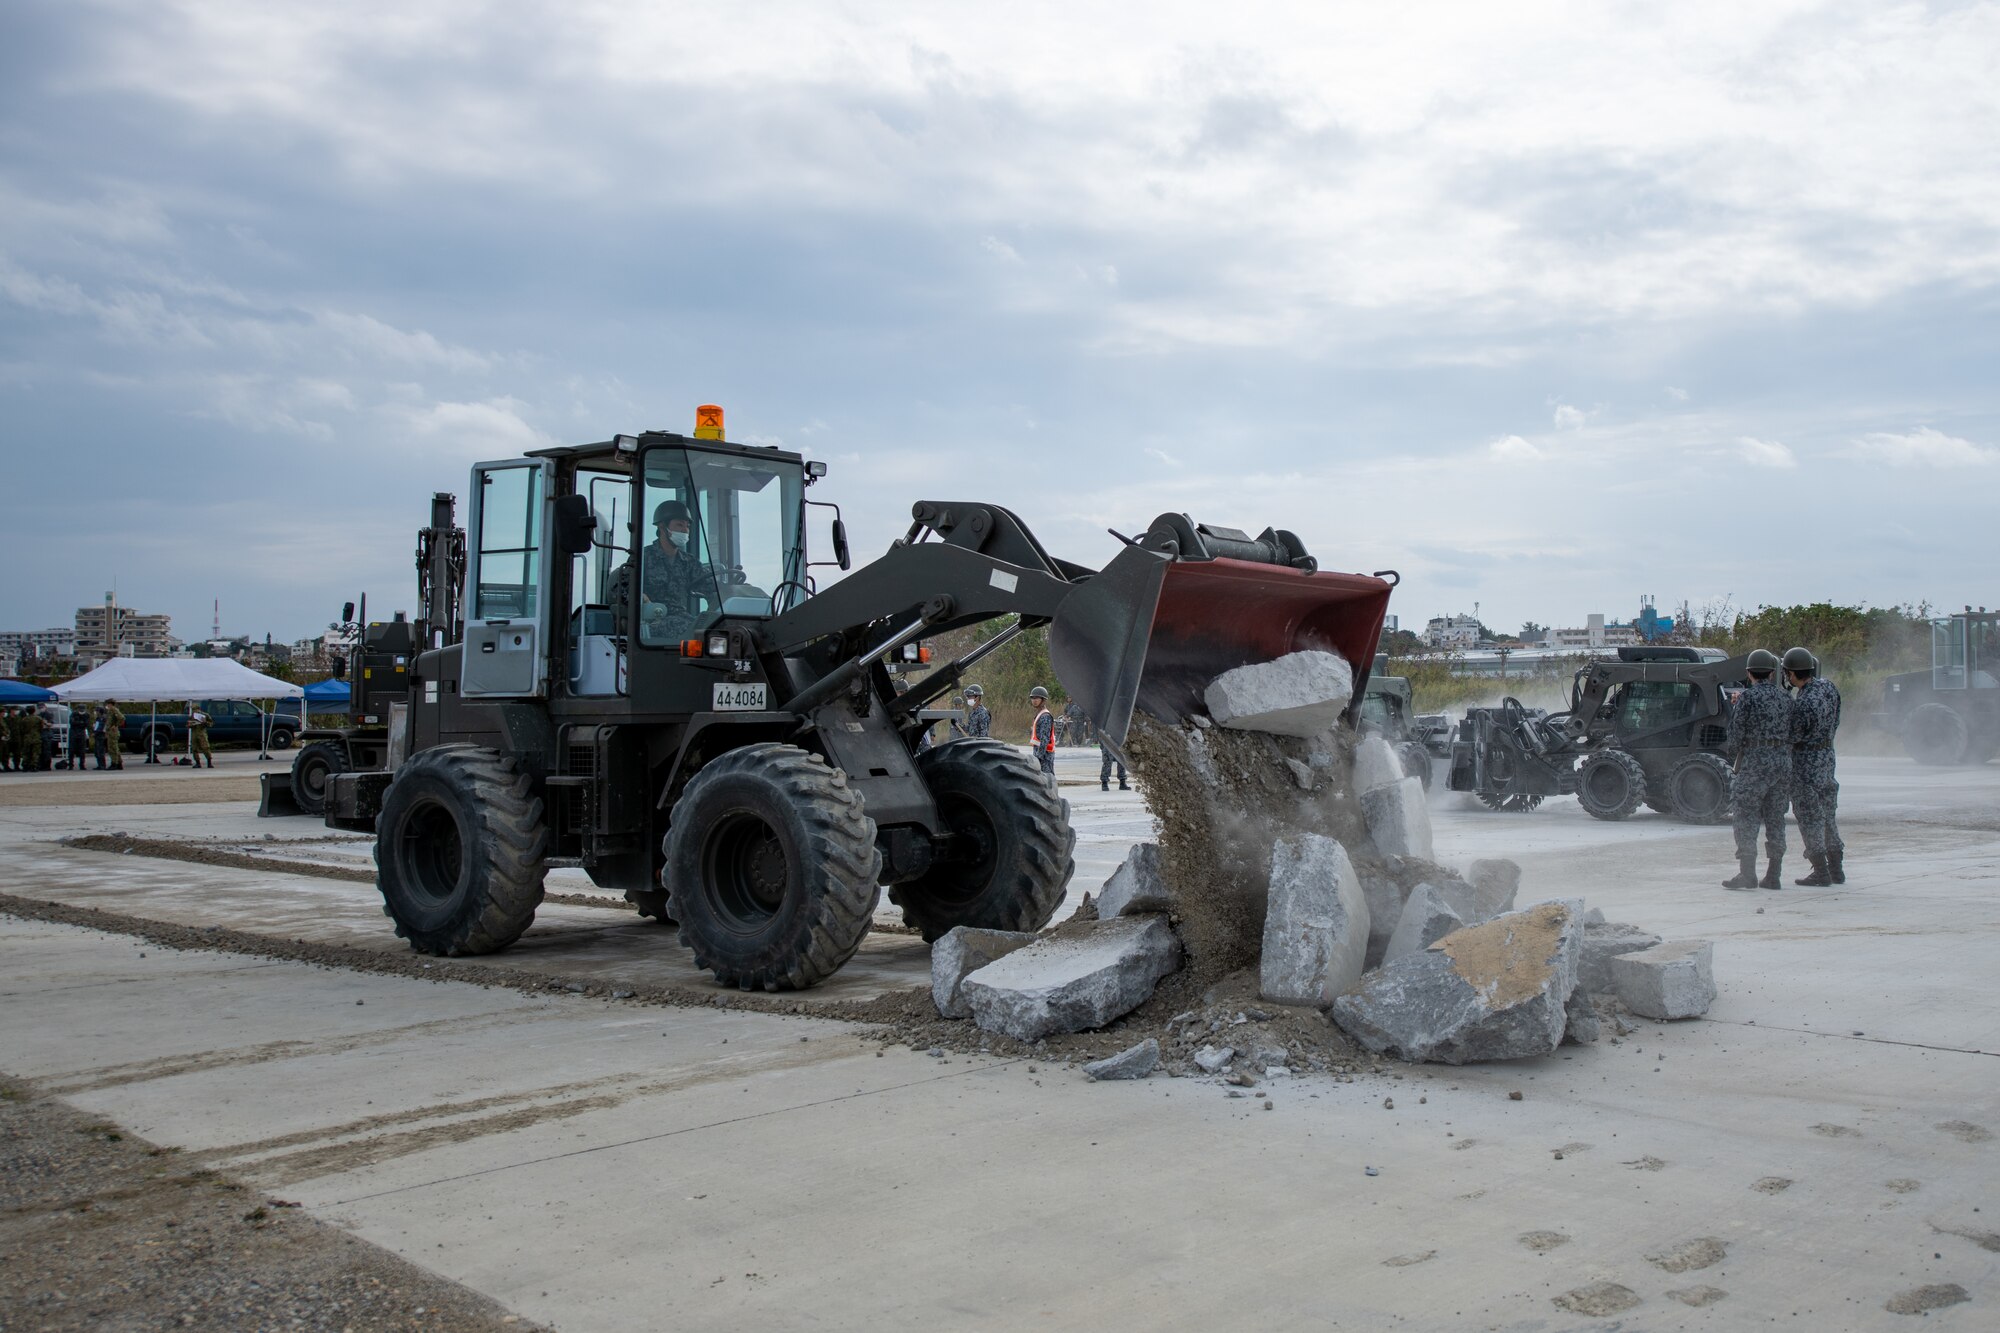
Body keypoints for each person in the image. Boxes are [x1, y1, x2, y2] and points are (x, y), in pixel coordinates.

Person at [1722, 648, 1793, 890]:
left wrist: (1735, 756)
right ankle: (1774, 874)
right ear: (1772, 674)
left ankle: (1747, 874)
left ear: (1749, 674)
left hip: (1755, 764)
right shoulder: (1786, 699)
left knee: (1745, 816)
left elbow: (1735, 735)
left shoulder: (1748, 698)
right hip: (1782, 764)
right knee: (1776, 819)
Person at [609, 500, 713, 644]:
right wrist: (641, 598)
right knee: (694, 633)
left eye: (687, 526)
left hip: (681, 618)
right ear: (662, 527)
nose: (685, 530)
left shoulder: (689, 562)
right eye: (679, 525)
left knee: (710, 629)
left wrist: (730, 592)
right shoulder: (643, 557)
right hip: (651, 622)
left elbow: (709, 587)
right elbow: (620, 590)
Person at [1785, 646, 1844, 886]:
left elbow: (1794, 736)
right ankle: (1837, 869)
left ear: (1791, 674)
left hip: (1805, 764)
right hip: (1827, 756)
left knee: (1809, 817)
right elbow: (1837, 717)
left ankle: (1820, 872)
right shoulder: (1828, 687)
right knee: (1828, 815)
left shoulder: (1803, 703)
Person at [1028, 685, 1056, 778]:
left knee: (1047, 781)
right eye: (1032, 698)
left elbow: (1044, 739)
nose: (1034, 700)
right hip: (1039, 754)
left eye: (1037, 698)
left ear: (1043, 700)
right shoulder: (1039, 714)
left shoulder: (1045, 716)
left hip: (1045, 756)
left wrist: (1039, 757)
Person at [188, 701, 215, 769]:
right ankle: (198, 763)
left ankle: (209, 763)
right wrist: (190, 724)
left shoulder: (205, 715)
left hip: (202, 734)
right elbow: (189, 725)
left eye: (195, 709)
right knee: (194, 749)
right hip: (194, 734)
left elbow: (211, 724)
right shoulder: (192, 716)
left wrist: (205, 722)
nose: (195, 711)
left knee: (205, 748)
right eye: (193, 710)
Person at [101, 699, 124, 770]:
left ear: (111, 704)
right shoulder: (110, 711)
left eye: (107, 704)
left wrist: (115, 725)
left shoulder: (114, 710)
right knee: (115, 748)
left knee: (113, 748)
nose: (107, 705)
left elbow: (122, 718)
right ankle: (119, 763)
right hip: (110, 732)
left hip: (113, 732)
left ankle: (114, 764)